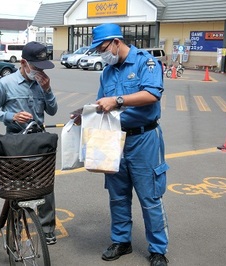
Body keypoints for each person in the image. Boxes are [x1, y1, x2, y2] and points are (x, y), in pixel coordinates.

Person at [90, 23, 170, 266]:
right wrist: (85, 114)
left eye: (102, 48)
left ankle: (158, 250)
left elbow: (152, 94)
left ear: (116, 42)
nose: (101, 54)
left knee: (150, 196)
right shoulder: (107, 71)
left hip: (144, 138)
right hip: (114, 138)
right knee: (118, 195)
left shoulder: (145, 62)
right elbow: (102, 103)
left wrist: (117, 100)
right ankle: (121, 241)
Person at [0, 41, 58, 245]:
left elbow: (52, 110)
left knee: (45, 186)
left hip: (40, 140)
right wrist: (12, 116)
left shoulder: (43, 83)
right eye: (36, 67)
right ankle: (15, 228)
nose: (40, 72)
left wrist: (48, 90)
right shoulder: (6, 83)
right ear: (24, 62)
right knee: (16, 187)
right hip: (15, 142)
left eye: (42, 67)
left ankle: (47, 230)